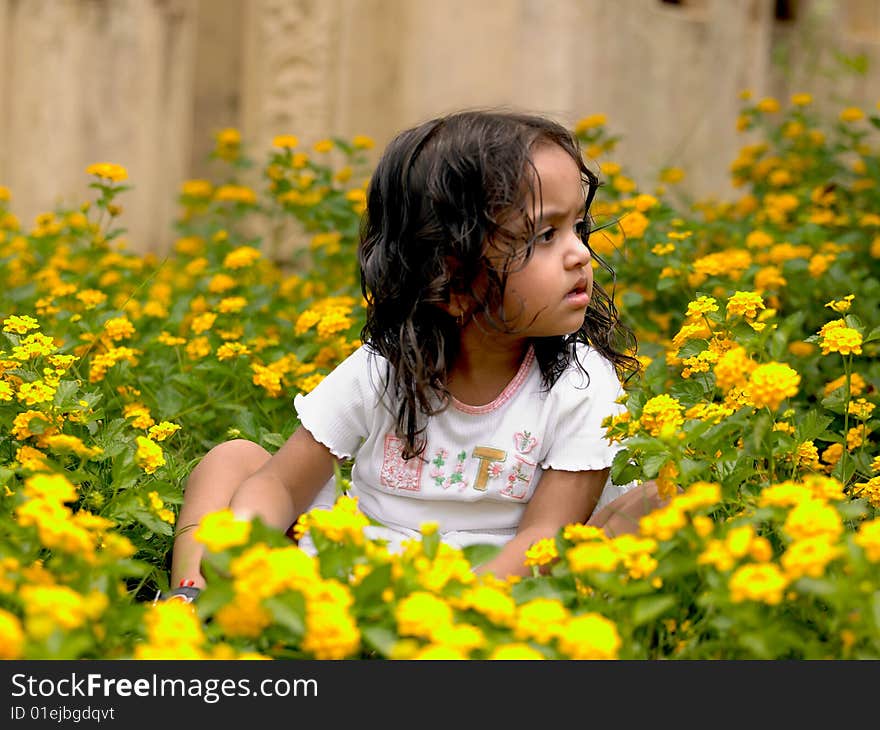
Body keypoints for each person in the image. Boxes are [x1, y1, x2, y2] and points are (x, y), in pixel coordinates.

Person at [164, 110, 665, 602]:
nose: (580, 253)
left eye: (578, 227)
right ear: (451, 282)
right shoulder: (384, 368)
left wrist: (442, 607)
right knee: (233, 462)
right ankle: (195, 596)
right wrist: (244, 545)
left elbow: (544, 540)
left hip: (504, 585)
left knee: (656, 503)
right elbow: (280, 483)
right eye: (544, 236)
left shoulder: (580, 384)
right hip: (362, 566)